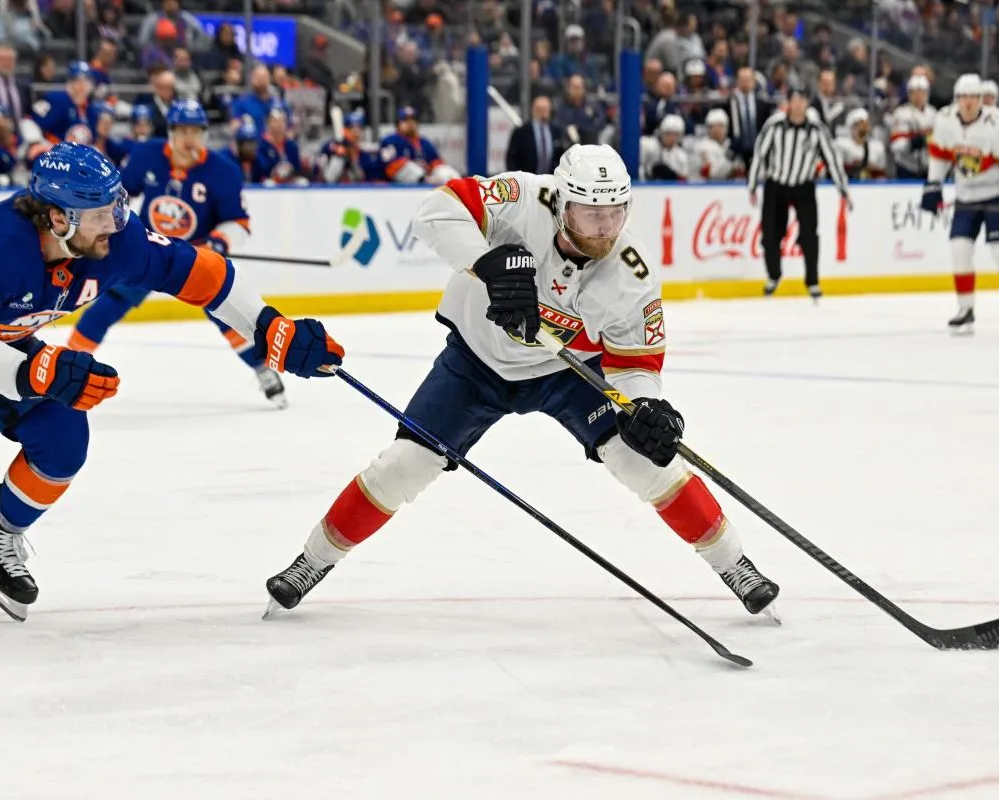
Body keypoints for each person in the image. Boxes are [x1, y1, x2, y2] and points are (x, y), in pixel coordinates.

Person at [263, 144, 781, 620]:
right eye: (589, 214)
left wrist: (649, 410)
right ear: (562, 204)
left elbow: (636, 364)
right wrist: (489, 263)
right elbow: (434, 212)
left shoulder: (631, 273)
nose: (603, 229)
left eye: (614, 214)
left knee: (643, 460)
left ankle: (735, 564)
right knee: (402, 466)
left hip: (567, 373)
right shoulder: (523, 199)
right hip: (476, 362)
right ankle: (313, 560)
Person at [0, 143, 343, 620]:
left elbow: (201, 273)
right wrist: (34, 370)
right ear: (58, 218)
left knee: (63, 440)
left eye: (116, 204)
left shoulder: (116, 243)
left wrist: (268, 324)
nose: (117, 221)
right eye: (101, 212)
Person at [68, 101, 286, 408]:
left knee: (226, 315)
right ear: (169, 133)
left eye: (195, 131)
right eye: (181, 131)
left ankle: (263, 371)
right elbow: (118, 193)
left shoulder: (223, 171)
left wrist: (220, 241)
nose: (188, 138)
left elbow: (240, 222)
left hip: (194, 256)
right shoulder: (147, 155)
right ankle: (69, 369)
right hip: (147, 251)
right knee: (108, 307)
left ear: (205, 134)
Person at [923, 74, 999, 336]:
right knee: (959, 250)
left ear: (981, 100)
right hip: (965, 196)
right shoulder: (945, 120)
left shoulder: (997, 122)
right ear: (956, 99)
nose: (968, 103)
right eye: (963, 98)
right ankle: (965, 309)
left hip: (995, 194)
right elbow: (939, 155)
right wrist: (933, 184)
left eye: (973, 98)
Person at [748, 89, 850, 299]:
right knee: (770, 234)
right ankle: (774, 275)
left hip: (803, 185)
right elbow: (760, 154)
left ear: (807, 104)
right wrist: (752, 185)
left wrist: (843, 189)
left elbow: (831, 158)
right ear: (788, 104)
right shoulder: (774, 126)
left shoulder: (816, 129)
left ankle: (812, 280)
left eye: (802, 101)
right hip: (776, 185)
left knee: (810, 235)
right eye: (794, 101)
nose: (798, 105)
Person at [380, 105, 458, 185]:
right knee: (409, 168)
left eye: (413, 120)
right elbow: (390, 168)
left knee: (446, 172)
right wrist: (422, 178)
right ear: (398, 124)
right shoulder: (390, 141)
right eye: (405, 120)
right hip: (398, 186)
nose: (410, 124)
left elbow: (436, 162)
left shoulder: (424, 142)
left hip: (427, 180)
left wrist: (436, 175)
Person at [29, 61, 102, 145]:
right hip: (54, 154)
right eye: (77, 80)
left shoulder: (91, 110)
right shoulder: (57, 100)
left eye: (86, 81)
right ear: (70, 82)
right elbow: (31, 123)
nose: (82, 85)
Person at [316, 110, 385, 184]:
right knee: (337, 161)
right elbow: (318, 173)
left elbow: (372, 180)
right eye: (352, 129)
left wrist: (352, 160)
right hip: (328, 191)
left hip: (354, 192)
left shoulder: (364, 155)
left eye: (359, 129)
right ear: (344, 130)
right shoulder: (329, 147)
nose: (356, 133)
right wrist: (337, 156)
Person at [890, 75, 936, 179]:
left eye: (922, 91)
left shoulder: (933, 113)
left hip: (928, 167)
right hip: (907, 167)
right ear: (909, 94)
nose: (919, 95)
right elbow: (896, 145)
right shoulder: (901, 113)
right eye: (915, 92)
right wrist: (916, 140)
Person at [505, 95, 564, 174]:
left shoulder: (556, 131)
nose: (542, 112)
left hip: (550, 180)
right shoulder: (521, 131)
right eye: (539, 109)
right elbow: (511, 159)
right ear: (532, 110)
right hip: (527, 179)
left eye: (545, 109)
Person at [256, 108, 309, 187]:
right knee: (269, 184)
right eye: (275, 121)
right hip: (270, 179)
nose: (278, 125)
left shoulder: (291, 146)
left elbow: (297, 168)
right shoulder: (261, 145)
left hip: (289, 180)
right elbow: (261, 169)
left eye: (281, 121)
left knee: (303, 182)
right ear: (268, 124)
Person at [693, 108, 743, 180]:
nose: (716, 129)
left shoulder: (731, 144)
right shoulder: (702, 146)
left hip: (731, 186)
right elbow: (710, 173)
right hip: (709, 187)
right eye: (713, 126)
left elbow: (740, 169)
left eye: (720, 126)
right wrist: (730, 166)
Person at [835, 108, 886, 179]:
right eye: (860, 123)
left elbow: (882, 174)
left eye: (866, 123)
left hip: (871, 184)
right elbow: (836, 168)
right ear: (852, 127)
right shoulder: (841, 144)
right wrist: (853, 165)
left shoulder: (877, 146)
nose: (864, 126)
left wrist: (872, 168)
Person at [639, 113, 689, 181]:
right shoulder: (648, 145)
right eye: (668, 133)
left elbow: (684, 179)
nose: (672, 138)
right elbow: (639, 168)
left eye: (675, 134)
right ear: (661, 132)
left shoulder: (681, 155)